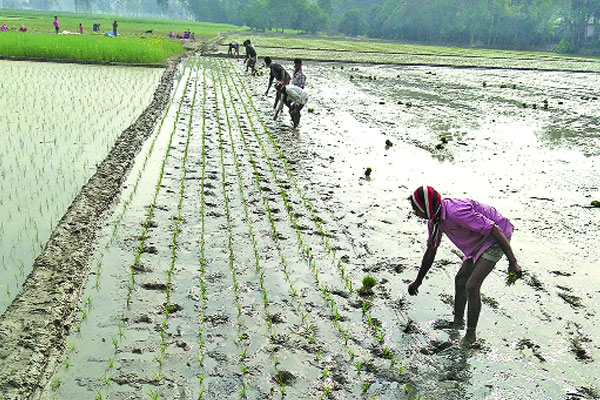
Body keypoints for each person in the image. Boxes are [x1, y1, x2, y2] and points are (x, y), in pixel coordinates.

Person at [407, 186, 522, 348]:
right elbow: (431, 251)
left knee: (472, 285)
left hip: (496, 238)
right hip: (478, 241)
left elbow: (494, 230)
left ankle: (470, 335)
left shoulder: (456, 211)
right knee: (461, 280)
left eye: (416, 209)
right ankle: (458, 322)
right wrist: (418, 281)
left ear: (425, 206)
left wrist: (512, 262)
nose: (415, 213)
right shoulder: (435, 221)